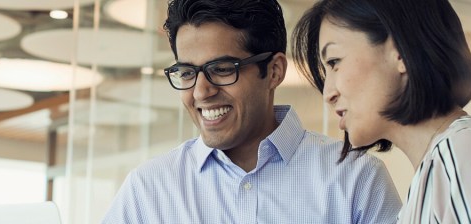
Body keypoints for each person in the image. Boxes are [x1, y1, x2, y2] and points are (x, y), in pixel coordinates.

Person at [102, 0, 402, 223]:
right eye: (186, 72)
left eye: (221, 69)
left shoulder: (355, 179)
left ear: (273, 71)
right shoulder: (148, 189)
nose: (200, 92)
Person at [291, 0, 471, 223]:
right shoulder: (439, 170)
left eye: (335, 62)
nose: (328, 93)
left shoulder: (462, 156)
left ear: (399, 52)